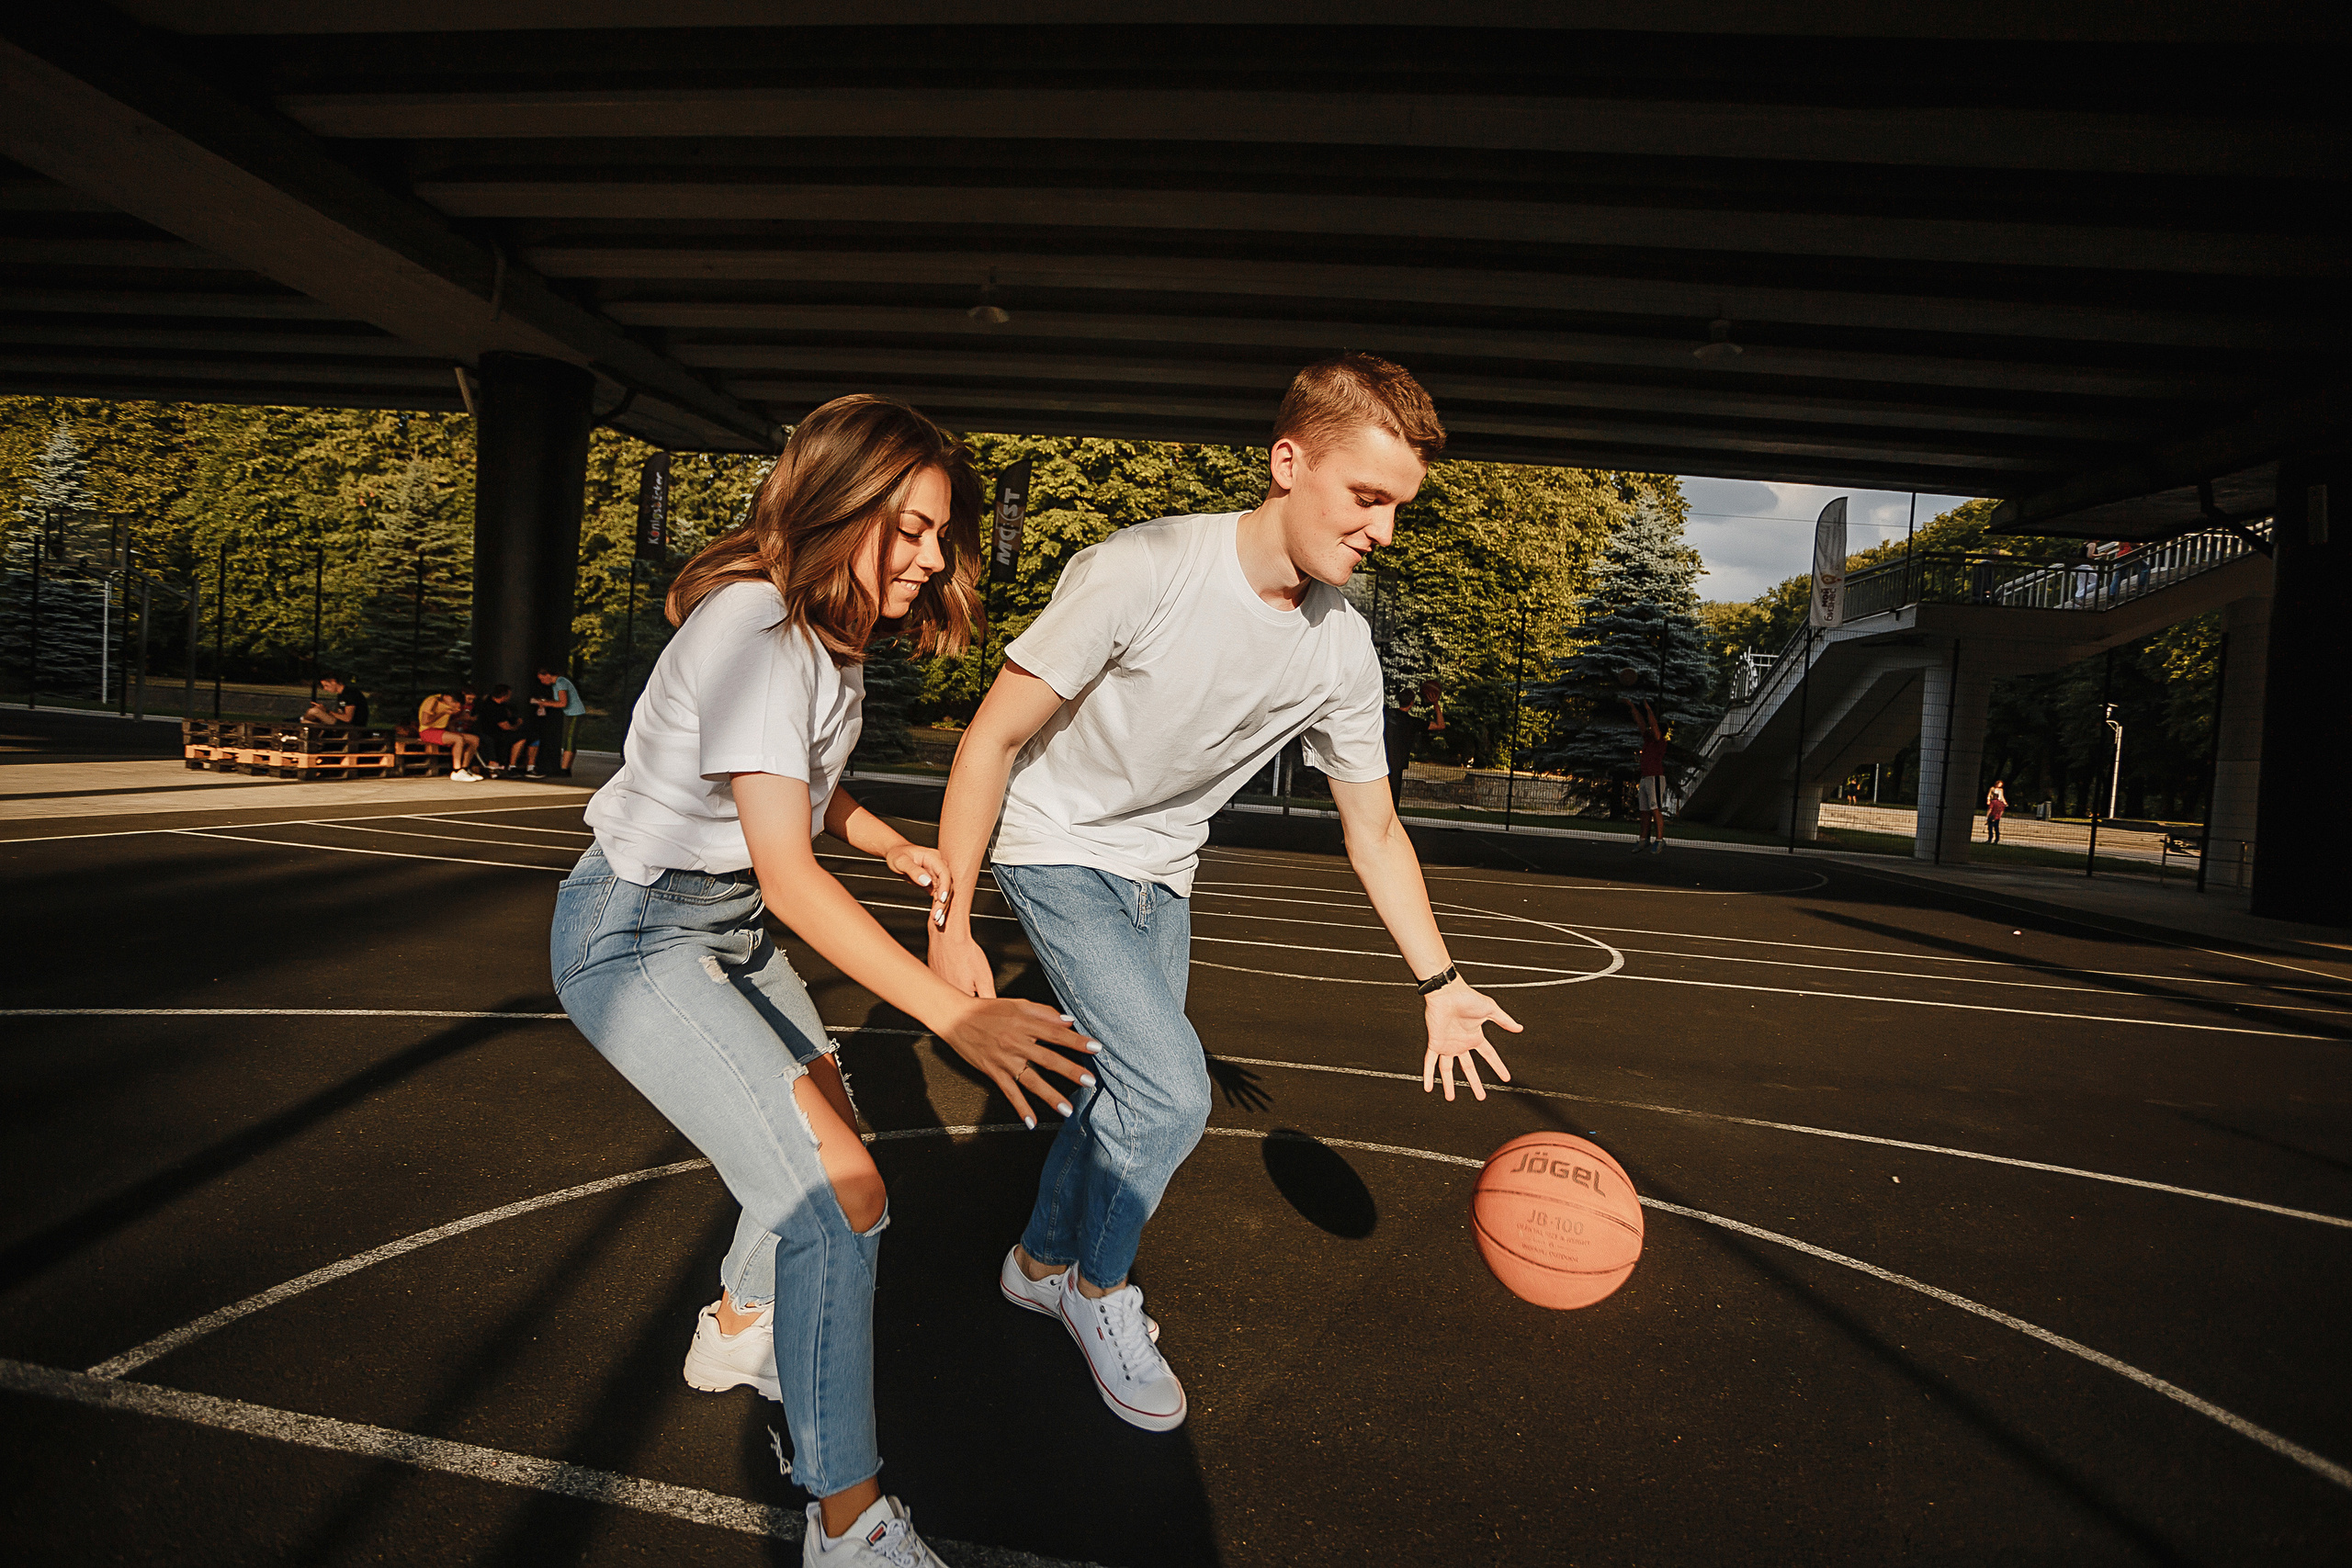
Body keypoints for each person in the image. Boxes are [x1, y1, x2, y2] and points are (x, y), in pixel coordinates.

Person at [927, 354, 1521, 1435]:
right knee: (1170, 1094)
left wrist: (1439, 981)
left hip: (1164, 870)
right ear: (1287, 462)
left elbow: (1373, 826)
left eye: (1399, 511)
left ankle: (1038, 1262)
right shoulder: (1140, 569)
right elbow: (991, 738)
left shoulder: (1341, 650)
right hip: (1054, 844)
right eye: (1367, 500)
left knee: (1118, 1095)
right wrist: (951, 927)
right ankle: (1096, 1293)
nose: (1382, 534)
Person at [553, 397, 1094, 1567]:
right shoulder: (755, 629)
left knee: (834, 1162)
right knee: (844, 1193)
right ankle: (848, 1524)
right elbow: (788, 877)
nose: (928, 557)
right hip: (635, 936)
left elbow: (795, 790)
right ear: (833, 505)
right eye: (903, 529)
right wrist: (957, 1012)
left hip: (724, 927)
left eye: (938, 533)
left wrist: (886, 840)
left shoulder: (821, 635)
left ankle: (738, 1326)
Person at [1383, 678, 1445, 806]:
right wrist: (1436, 704)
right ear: (1411, 703)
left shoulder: (1387, 714)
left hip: (1381, 761)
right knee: (1393, 800)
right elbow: (1441, 725)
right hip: (1397, 764)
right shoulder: (1413, 722)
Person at [526, 666, 586, 777]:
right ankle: (566, 768)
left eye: (542, 679)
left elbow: (563, 703)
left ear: (548, 675)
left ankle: (564, 769)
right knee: (569, 740)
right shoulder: (558, 683)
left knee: (569, 740)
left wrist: (543, 703)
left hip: (574, 713)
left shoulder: (560, 682)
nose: (542, 682)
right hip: (570, 713)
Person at [1628, 697, 1669, 854]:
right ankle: (1643, 840)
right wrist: (1633, 707)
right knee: (1644, 811)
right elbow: (1641, 724)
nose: (1651, 729)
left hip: (1655, 778)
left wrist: (1649, 710)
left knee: (1655, 808)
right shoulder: (1648, 739)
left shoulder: (1660, 741)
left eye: (1654, 728)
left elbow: (1652, 725)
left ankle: (1660, 840)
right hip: (1645, 778)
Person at [416, 691, 484, 781]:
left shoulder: (451, 705)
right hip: (427, 731)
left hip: (442, 730)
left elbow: (452, 721)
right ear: (447, 697)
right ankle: (456, 770)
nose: (455, 705)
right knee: (458, 739)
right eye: (454, 702)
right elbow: (425, 721)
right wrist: (443, 712)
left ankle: (465, 769)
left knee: (474, 739)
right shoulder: (433, 701)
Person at [475, 682, 523, 776]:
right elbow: (505, 726)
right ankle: (511, 766)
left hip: (490, 732)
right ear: (504, 696)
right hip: (494, 733)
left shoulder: (489, 703)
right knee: (521, 738)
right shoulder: (494, 708)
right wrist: (517, 725)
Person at [301, 674, 368, 728]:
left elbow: (347, 718)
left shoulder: (350, 693)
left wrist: (326, 711)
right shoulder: (340, 695)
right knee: (305, 721)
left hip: (352, 726)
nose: (325, 689)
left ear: (333, 682)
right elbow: (340, 713)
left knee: (314, 711)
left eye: (326, 685)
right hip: (341, 722)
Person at [1985, 778, 2007, 843]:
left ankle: (1994, 839)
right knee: (1993, 827)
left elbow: (2002, 796)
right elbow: (1989, 795)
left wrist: (2005, 802)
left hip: (1999, 802)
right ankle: (1993, 839)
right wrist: (1988, 800)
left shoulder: (2001, 790)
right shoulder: (1992, 788)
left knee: (1994, 827)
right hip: (1993, 801)